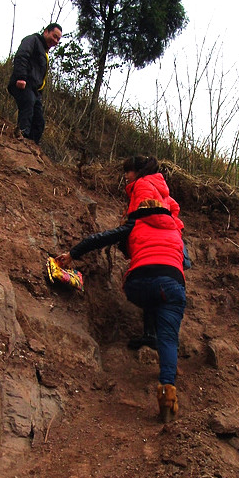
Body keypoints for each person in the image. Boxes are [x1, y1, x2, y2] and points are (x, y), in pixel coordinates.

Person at [56, 155, 186, 423]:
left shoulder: (136, 222)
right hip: (173, 282)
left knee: (149, 292)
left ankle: (149, 333)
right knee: (169, 336)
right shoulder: (175, 230)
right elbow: (187, 262)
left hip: (140, 282)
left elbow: (103, 238)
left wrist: (74, 253)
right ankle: (167, 392)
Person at [7, 23, 62, 143]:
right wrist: (21, 77)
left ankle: (31, 147)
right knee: (28, 106)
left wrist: (40, 93)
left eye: (58, 39)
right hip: (24, 83)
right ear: (46, 32)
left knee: (39, 121)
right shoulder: (32, 40)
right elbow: (22, 56)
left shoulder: (44, 52)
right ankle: (20, 139)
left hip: (34, 90)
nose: (56, 41)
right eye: (54, 36)